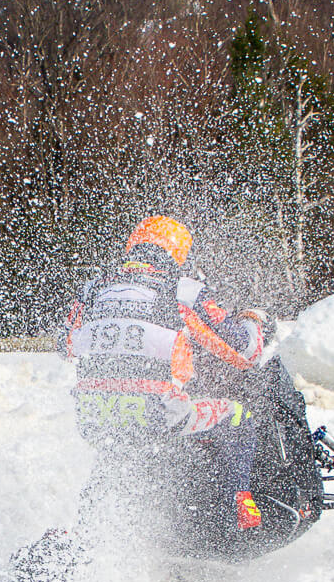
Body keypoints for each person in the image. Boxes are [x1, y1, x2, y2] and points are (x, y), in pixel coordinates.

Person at [62, 216, 277, 531]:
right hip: (158, 412)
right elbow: (244, 351)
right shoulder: (183, 291)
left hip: (94, 414)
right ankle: (240, 506)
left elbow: (66, 345)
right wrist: (253, 320)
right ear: (180, 254)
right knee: (238, 417)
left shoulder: (94, 288)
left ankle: (87, 526)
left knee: (116, 446)